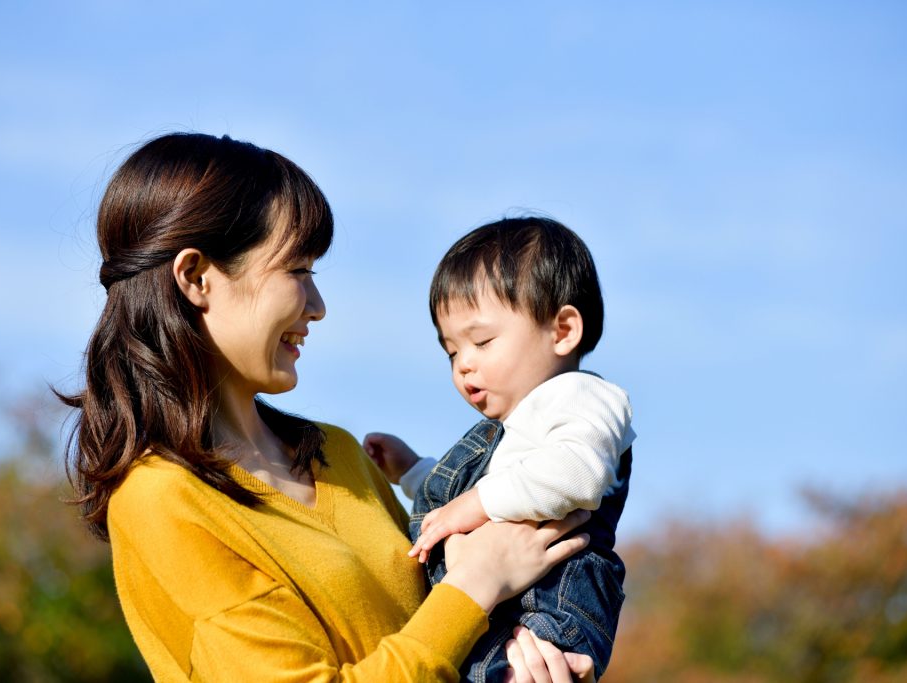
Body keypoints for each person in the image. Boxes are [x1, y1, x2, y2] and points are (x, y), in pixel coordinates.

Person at [60, 133, 596, 682]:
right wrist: (475, 587)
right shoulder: (161, 498)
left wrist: (524, 656)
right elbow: (458, 603)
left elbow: (445, 633)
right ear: (197, 277)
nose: (317, 307)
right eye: (297, 272)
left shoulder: (337, 453)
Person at [364, 217, 635, 680]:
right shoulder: (511, 430)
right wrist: (411, 470)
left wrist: (475, 505)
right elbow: (478, 488)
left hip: (551, 605)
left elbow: (576, 473)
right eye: (451, 351)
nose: (464, 364)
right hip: (498, 602)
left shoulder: (583, 398)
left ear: (563, 330)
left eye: (482, 341)